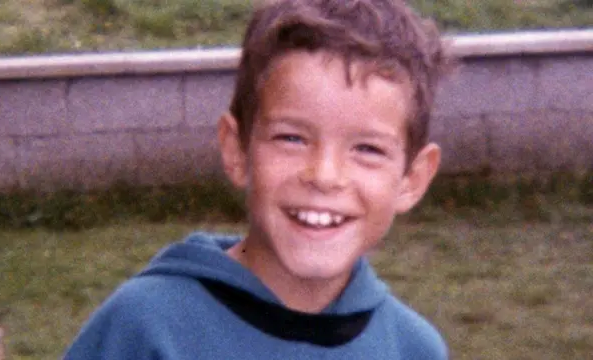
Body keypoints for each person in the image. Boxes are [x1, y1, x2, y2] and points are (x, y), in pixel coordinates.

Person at [64, 0, 450, 358]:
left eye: (367, 149)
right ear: (237, 151)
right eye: (292, 138)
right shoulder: (143, 328)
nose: (325, 176)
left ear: (412, 179)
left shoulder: (412, 348)